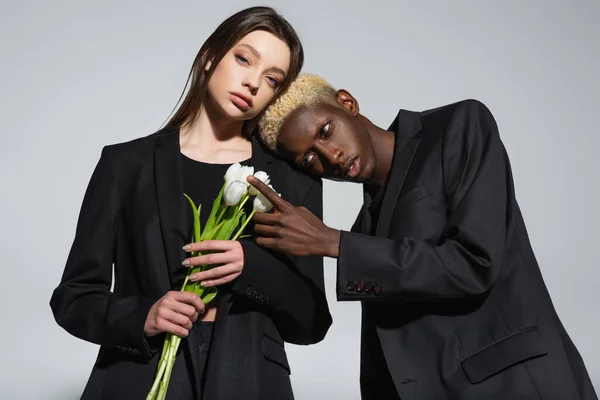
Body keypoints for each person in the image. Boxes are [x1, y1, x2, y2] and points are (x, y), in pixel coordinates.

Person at [247, 74, 598, 400]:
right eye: (310, 158)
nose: (331, 156)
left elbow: (474, 264)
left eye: (326, 130)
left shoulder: (456, 127)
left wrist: (335, 244)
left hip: (516, 386)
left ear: (347, 103)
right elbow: (389, 350)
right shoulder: (364, 230)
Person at [50, 10, 331, 400]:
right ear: (209, 56)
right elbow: (73, 297)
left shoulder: (291, 181)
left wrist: (251, 267)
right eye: (244, 58)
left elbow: (312, 322)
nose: (252, 82)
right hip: (138, 376)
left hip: (248, 378)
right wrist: (143, 316)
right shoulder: (126, 165)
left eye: (271, 79)